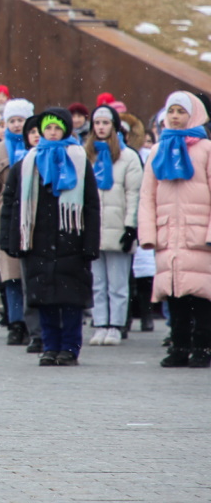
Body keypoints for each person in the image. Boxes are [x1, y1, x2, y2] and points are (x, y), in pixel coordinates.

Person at [1, 108, 101, 366]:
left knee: (70, 301)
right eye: (48, 128)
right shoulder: (27, 164)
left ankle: (69, 347)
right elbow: (12, 205)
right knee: (43, 300)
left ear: (66, 130)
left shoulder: (79, 161)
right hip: (38, 243)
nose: (53, 133)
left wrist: (90, 244)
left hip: (72, 241)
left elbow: (91, 205)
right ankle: (50, 345)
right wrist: (11, 241)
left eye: (57, 128)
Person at [139, 91, 211, 368]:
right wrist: (148, 235)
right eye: (171, 112)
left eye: (181, 111)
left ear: (192, 114)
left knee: (202, 293)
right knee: (175, 293)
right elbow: (147, 196)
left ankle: (203, 346)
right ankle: (179, 345)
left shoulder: (205, 149)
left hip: (198, 235)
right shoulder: (158, 150)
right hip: (169, 234)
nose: (176, 117)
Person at [0, 98, 41, 349]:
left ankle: (33, 323)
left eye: (21, 121)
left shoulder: (38, 147)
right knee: (11, 276)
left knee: (29, 274)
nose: (16, 126)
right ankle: (15, 323)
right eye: (12, 121)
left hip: (33, 216)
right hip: (4, 216)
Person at [86, 105, 143, 346]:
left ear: (114, 126)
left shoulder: (128, 156)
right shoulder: (86, 154)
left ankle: (116, 325)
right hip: (93, 228)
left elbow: (134, 194)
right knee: (97, 283)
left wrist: (131, 226)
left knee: (118, 283)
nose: (101, 127)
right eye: (97, 123)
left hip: (118, 227)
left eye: (106, 123)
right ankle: (100, 323)